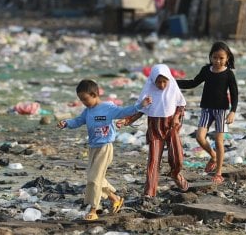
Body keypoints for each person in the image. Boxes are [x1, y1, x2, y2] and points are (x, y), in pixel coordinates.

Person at [58, 80, 152, 221]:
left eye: (85, 99)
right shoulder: (87, 111)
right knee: (94, 178)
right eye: (81, 100)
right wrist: (66, 123)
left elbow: (123, 111)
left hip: (105, 147)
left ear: (94, 94)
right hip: (93, 148)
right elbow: (78, 121)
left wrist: (140, 105)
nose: (83, 102)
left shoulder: (107, 107)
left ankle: (94, 208)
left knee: (94, 179)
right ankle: (115, 198)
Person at [117, 64, 189, 198]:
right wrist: (126, 121)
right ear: (153, 81)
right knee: (154, 161)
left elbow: (180, 105)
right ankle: (149, 192)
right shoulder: (148, 92)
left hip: (171, 127)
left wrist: (177, 117)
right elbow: (140, 110)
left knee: (177, 157)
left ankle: (175, 174)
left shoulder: (172, 88)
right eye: (158, 82)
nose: (161, 85)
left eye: (164, 82)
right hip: (155, 129)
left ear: (168, 79)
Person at [177, 41, 239, 184]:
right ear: (210, 57)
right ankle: (213, 156)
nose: (217, 61)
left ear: (227, 58)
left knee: (219, 141)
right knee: (199, 137)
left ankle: (218, 172)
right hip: (206, 109)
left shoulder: (229, 74)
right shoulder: (206, 70)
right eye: (215, 57)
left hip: (222, 110)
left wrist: (233, 112)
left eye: (221, 58)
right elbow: (193, 83)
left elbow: (234, 94)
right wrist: (174, 82)